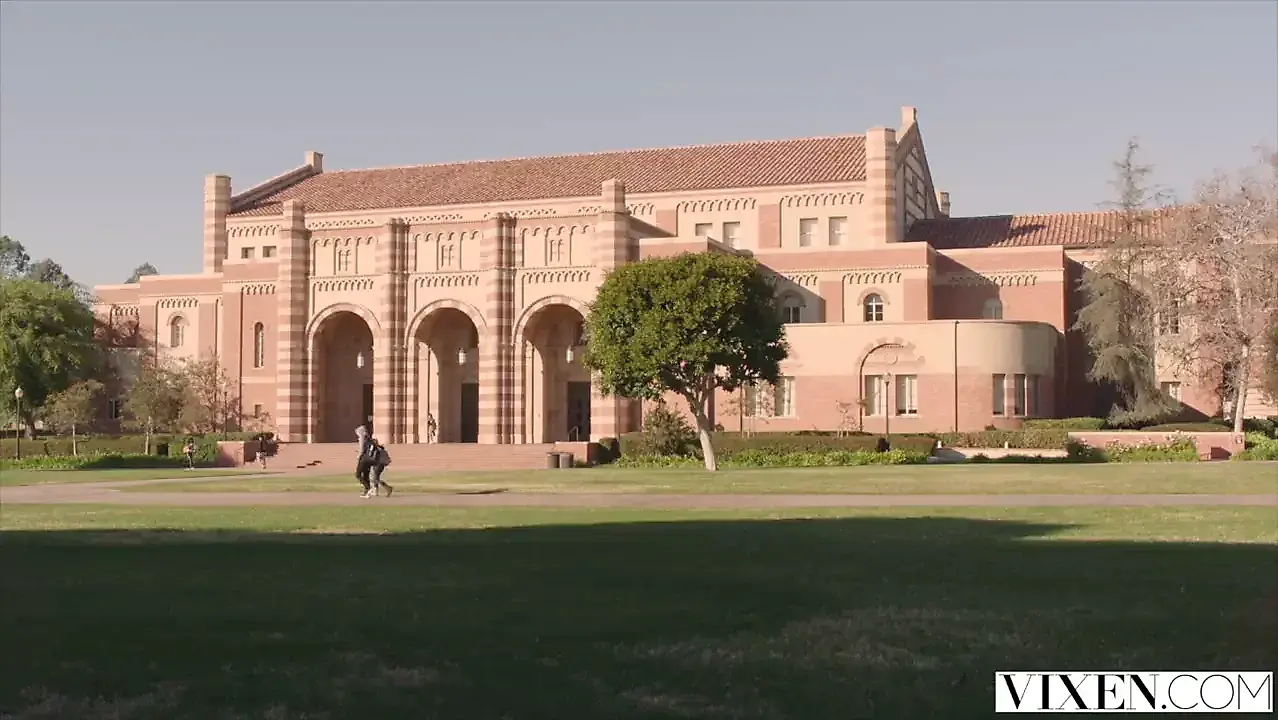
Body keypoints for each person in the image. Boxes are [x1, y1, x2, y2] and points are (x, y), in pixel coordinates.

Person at [354, 426, 393, 498]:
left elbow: (362, 450)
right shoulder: (370, 440)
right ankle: (378, 490)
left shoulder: (363, 439)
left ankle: (373, 489)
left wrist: (359, 456)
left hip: (373, 461)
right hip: (374, 461)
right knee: (374, 477)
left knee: (371, 477)